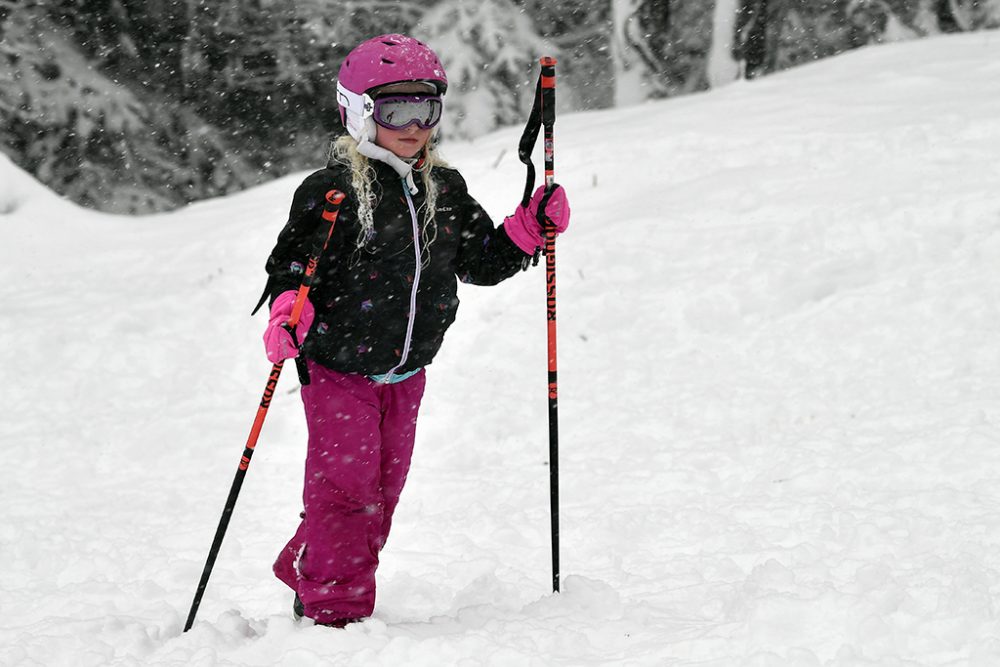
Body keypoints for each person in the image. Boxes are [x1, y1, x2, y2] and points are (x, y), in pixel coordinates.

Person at [256, 34, 570, 627]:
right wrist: (288, 307)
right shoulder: (335, 191)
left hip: (407, 372)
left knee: (381, 495)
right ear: (360, 111)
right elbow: (294, 268)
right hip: (338, 371)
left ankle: (310, 561)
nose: (414, 125)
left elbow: (480, 262)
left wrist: (530, 229)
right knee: (346, 494)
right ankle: (334, 613)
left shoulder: (443, 190)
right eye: (396, 109)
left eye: (427, 109)